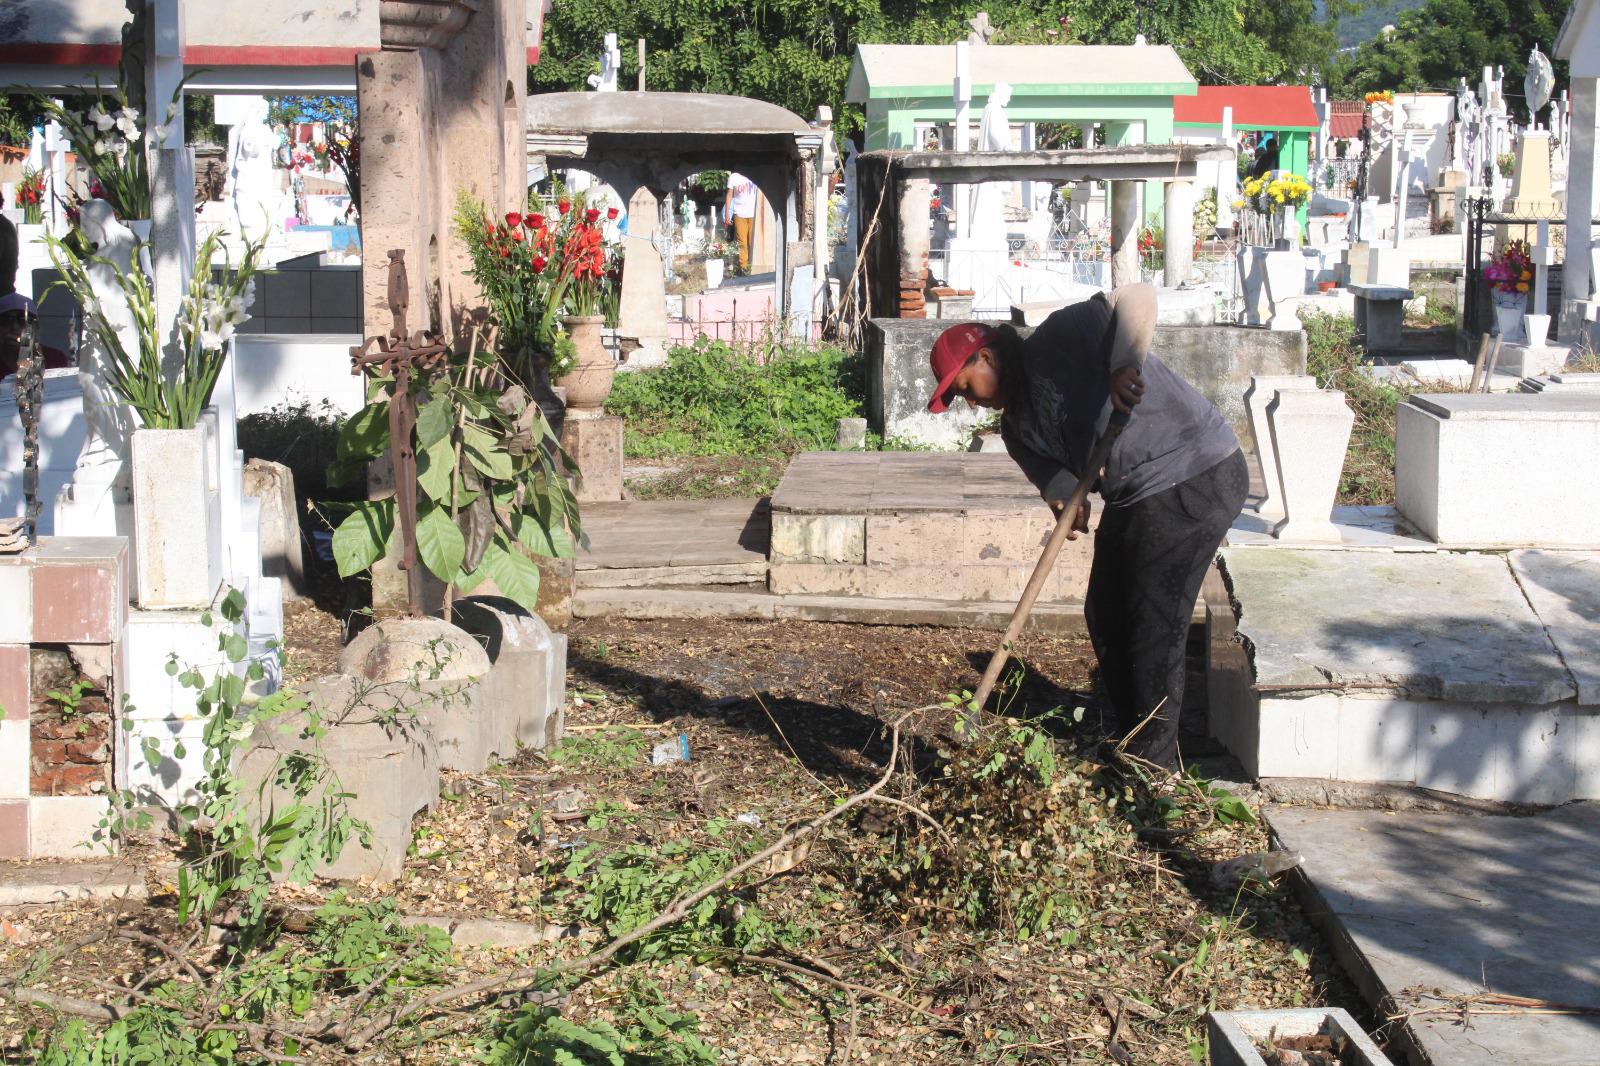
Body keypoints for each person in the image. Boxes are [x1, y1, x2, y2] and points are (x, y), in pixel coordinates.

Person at [925, 284, 1247, 769]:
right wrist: (1064, 500)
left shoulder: (1064, 336)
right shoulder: (1017, 430)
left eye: (965, 389)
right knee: (1106, 611)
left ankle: (1154, 769)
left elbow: (1136, 297)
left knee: (1152, 619)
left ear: (986, 359)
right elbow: (1055, 481)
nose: (971, 404)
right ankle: (1135, 736)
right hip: (1137, 495)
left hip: (1192, 468)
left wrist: (1123, 365)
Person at [723, 171, 757, 272]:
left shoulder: (755, 174)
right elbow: (729, 196)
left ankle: (753, 266)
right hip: (739, 213)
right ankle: (744, 267)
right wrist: (727, 214)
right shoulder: (734, 177)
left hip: (754, 213)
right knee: (742, 242)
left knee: (752, 241)